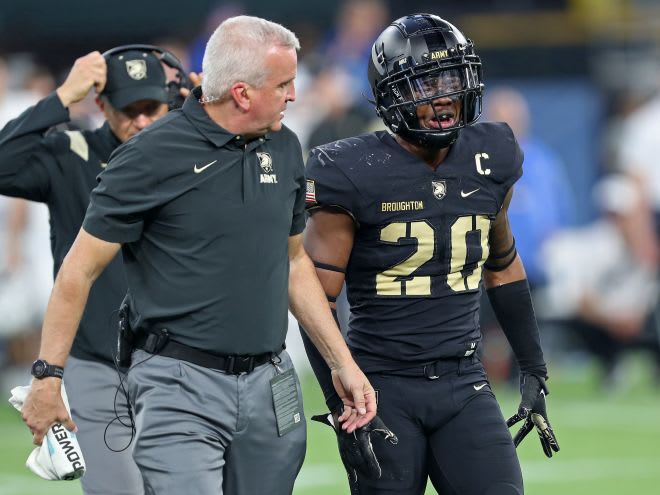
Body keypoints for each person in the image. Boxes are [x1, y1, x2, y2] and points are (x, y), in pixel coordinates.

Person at [20, 15, 376, 495]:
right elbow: (78, 272)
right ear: (242, 93)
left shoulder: (286, 147)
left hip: (271, 380)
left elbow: (293, 263)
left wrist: (342, 363)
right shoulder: (148, 156)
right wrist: (48, 378)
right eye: (284, 83)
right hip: (176, 382)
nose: (294, 95)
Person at [302, 13, 559, 494]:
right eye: (424, 83)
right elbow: (315, 299)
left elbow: (501, 264)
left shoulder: (492, 154)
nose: (443, 96)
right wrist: (340, 400)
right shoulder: (350, 169)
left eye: (452, 79)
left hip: (465, 382)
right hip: (382, 386)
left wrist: (532, 365)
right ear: (391, 95)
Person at [0, 45, 195, 494]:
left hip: (178, 364)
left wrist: (207, 106)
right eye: (129, 110)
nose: (142, 121)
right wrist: (62, 96)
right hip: (96, 361)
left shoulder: (190, 156)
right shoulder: (72, 152)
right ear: (102, 104)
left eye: (152, 108)